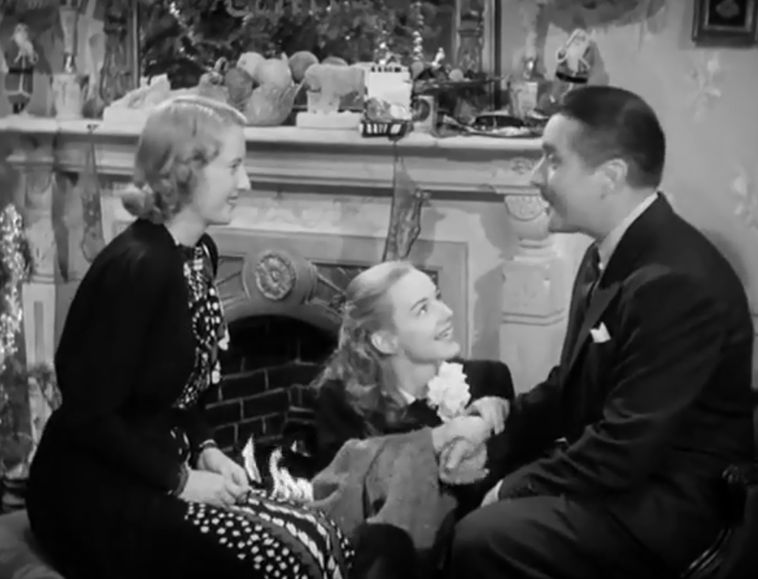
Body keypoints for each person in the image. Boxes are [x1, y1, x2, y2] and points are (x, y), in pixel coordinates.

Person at [26, 95, 353, 579]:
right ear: (186, 170)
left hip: (163, 465)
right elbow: (87, 414)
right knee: (284, 558)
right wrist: (180, 481)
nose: (246, 182)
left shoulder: (199, 253)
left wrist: (207, 449)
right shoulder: (137, 267)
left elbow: (180, 394)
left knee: (323, 534)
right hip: (93, 492)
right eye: (234, 166)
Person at [448, 85, 755, 579]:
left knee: (482, 537)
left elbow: (625, 445)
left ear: (610, 176)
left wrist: (513, 487)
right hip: (623, 473)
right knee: (461, 483)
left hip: (665, 505)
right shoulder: (605, 253)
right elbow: (571, 386)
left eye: (553, 160)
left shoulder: (674, 283)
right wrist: (494, 427)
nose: (536, 176)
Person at [311, 261, 515, 575]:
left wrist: (496, 423)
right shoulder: (341, 401)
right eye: (423, 309)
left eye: (438, 297)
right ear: (385, 340)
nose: (447, 312)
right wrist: (439, 438)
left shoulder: (490, 381)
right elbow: (341, 504)